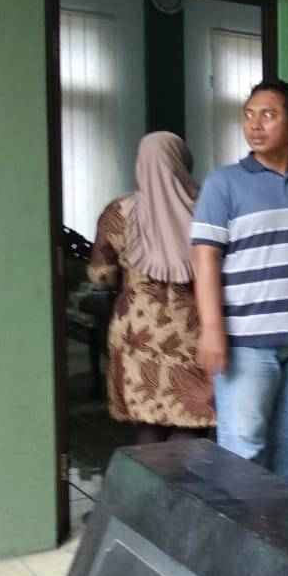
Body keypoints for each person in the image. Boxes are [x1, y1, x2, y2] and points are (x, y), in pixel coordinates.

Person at [191, 79, 288, 484]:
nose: (255, 125)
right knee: (244, 449)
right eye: (249, 115)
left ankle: (281, 523)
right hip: (246, 342)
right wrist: (211, 328)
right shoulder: (223, 183)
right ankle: (241, 527)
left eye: (268, 115)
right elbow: (205, 258)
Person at [88, 132, 214, 444]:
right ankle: (185, 477)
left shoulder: (118, 213)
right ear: (182, 163)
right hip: (192, 330)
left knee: (147, 422)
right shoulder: (207, 208)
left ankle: (150, 477)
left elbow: (101, 274)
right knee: (191, 421)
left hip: (137, 332)